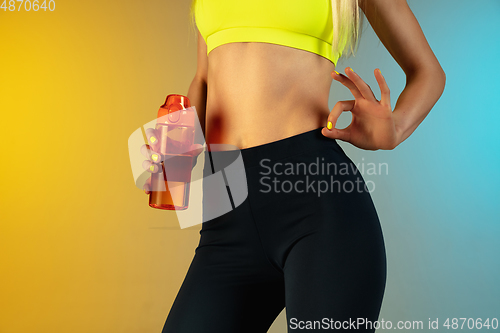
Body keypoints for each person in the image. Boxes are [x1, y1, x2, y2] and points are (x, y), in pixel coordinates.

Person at [145, 0, 445, 332]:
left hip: (316, 207)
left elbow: (429, 72)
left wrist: (395, 130)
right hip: (224, 210)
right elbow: (203, 78)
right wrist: (175, 150)